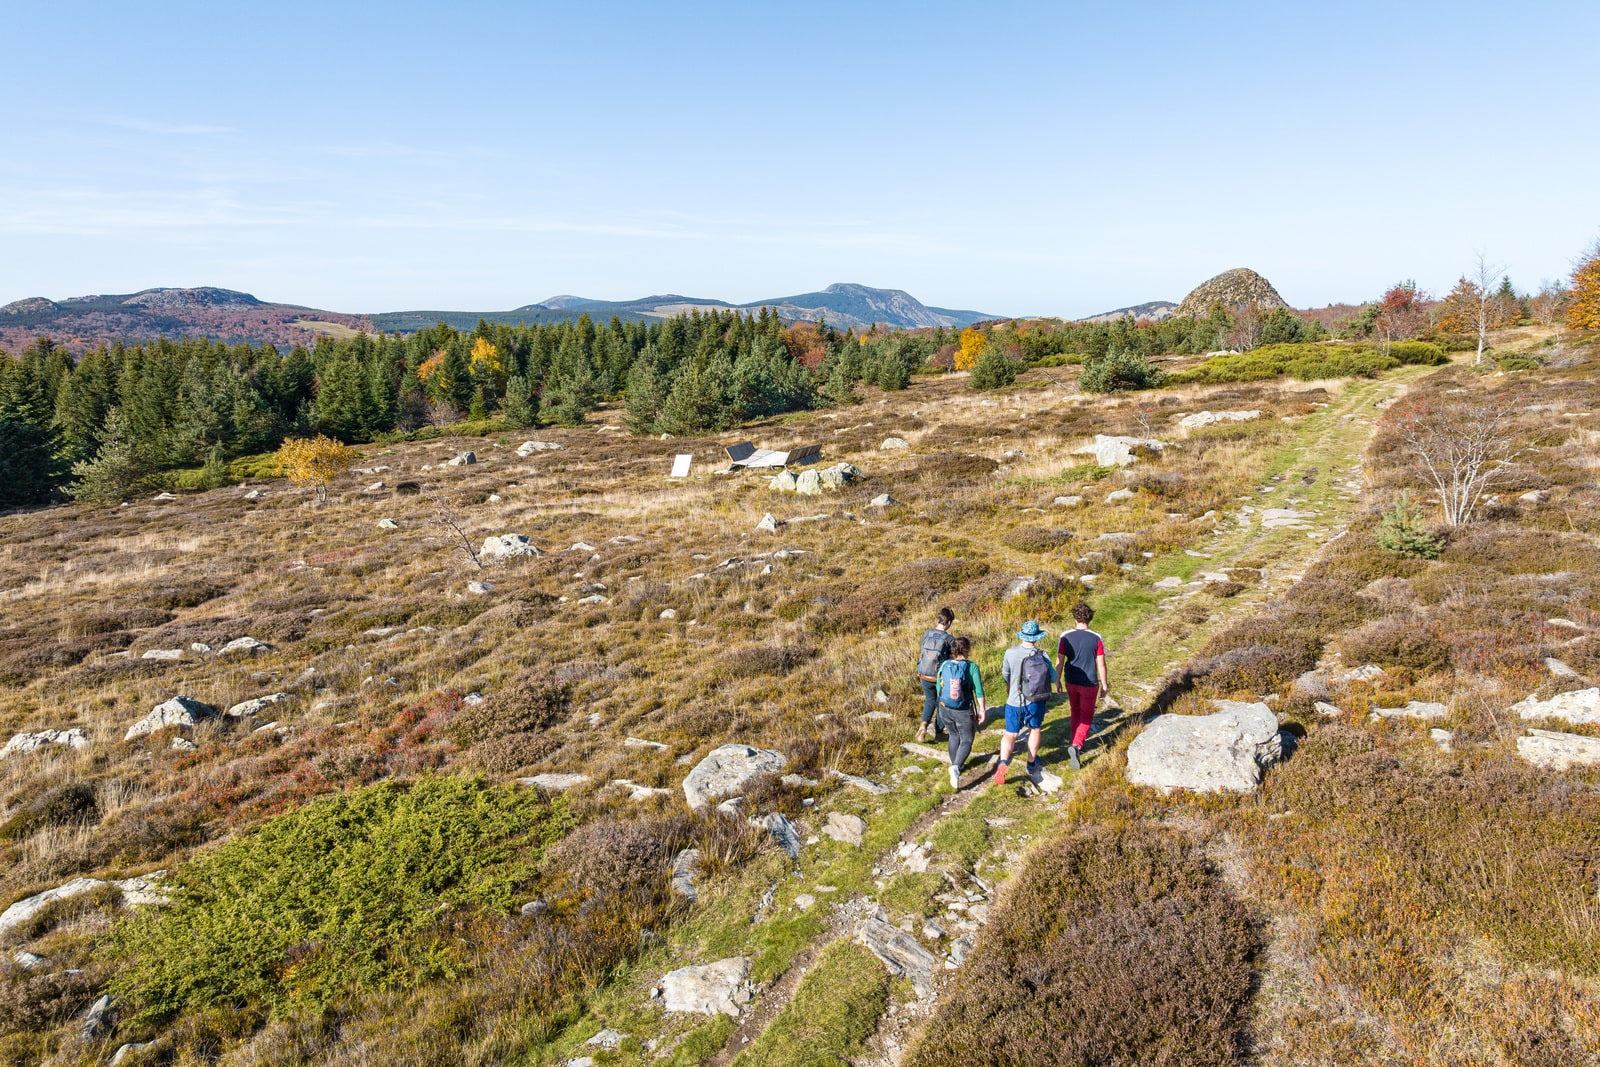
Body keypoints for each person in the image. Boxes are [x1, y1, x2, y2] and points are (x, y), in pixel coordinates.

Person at [995, 620, 1057, 786]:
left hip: (1014, 701)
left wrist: (1010, 686)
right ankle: (1030, 764)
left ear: (1022, 635)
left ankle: (1002, 763)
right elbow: (1053, 677)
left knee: (1011, 734)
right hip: (1034, 700)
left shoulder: (1010, 653)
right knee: (1034, 729)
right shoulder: (1042, 655)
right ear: (1037, 637)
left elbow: (1005, 674)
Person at [1056, 601, 1108, 770]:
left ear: (1075, 617)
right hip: (1089, 682)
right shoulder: (1096, 638)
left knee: (1075, 711)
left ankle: (1075, 742)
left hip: (1071, 680)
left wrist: (1056, 681)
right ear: (1090, 617)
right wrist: (1105, 684)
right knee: (1087, 716)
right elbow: (1101, 664)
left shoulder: (1065, 636)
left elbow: (1059, 661)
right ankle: (1077, 745)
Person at [934, 636, 986, 789]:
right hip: (963, 709)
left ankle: (956, 765)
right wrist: (982, 709)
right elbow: (979, 691)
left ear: (953, 650)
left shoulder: (944, 665)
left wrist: (942, 703)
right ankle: (956, 766)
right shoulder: (972, 667)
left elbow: (939, 687)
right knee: (967, 739)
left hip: (944, 707)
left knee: (953, 735)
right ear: (967, 650)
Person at [914, 607, 955, 743]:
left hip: (924, 674)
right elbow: (952, 658)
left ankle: (923, 725)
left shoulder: (927, 633)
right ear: (948, 622)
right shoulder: (949, 639)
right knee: (941, 702)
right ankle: (939, 732)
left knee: (930, 700)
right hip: (938, 677)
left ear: (938, 619)